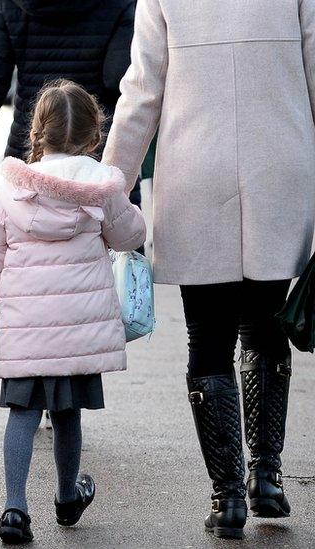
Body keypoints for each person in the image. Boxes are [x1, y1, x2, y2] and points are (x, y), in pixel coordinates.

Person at [102, 0, 315, 540]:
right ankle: (266, 475)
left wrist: (108, 190)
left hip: (197, 170)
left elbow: (142, 92)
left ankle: (228, 498)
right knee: (267, 324)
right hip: (280, 168)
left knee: (209, 338)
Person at [0, 81, 145, 544]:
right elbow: (130, 237)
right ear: (94, 137)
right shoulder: (101, 188)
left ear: (35, 133)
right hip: (79, 332)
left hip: (26, 332)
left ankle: (15, 508)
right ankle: (66, 497)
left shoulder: (9, 196)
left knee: (21, 414)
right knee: (67, 415)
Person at [0, 0, 135, 194]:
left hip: (30, 152)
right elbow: (119, 81)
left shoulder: (11, 4)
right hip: (94, 155)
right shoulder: (119, 4)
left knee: (16, 219)